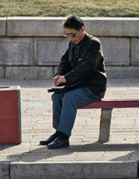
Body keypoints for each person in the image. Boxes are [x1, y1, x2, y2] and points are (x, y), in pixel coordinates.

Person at [40, 16, 107, 150]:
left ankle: (64, 137)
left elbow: (88, 67)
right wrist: (59, 74)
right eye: (67, 34)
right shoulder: (72, 43)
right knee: (58, 96)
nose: (71, 37)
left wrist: (67, 78)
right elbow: (64, 61)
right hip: (77, 85)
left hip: (92, 88)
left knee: (69, 98)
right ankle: (58, 132)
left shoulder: (93, 43)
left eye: (73, 34)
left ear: (82, 30)